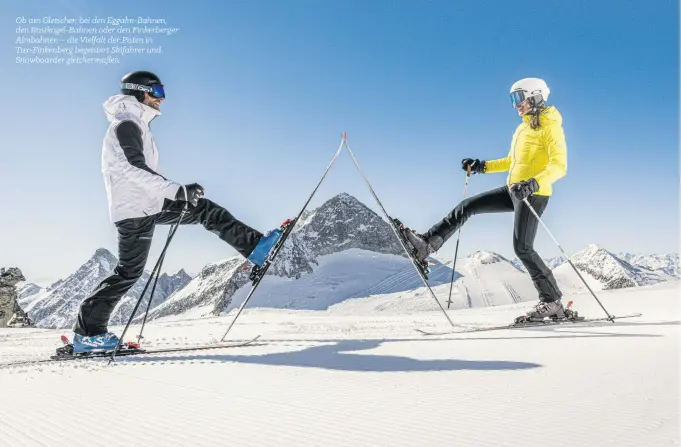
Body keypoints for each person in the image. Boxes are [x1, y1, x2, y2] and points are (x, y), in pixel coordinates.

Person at [72, 70, 283, 353]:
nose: (162, 99)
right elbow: (132, 167)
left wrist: (177, 195)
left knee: (204, 209)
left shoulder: (137, 124)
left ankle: (256, 247)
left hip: (149, 205)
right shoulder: (126, 125)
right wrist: (177, 191)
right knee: (128, 272)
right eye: (157, 92)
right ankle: (88, 334)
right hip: (135, 211)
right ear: (139, 92)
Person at [403, 78, 569, 322]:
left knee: (522, 248)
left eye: (518, 98)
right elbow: (511, 161)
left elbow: (559, 166)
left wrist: (534, 183)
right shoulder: (523, 128)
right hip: (514, 190)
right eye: (512, 99)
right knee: (468, 206)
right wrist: (481, 166)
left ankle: (552, 301)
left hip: (534, 193)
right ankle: (426, 245)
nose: (515, 104)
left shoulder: (550, 125)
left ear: (534, 96)